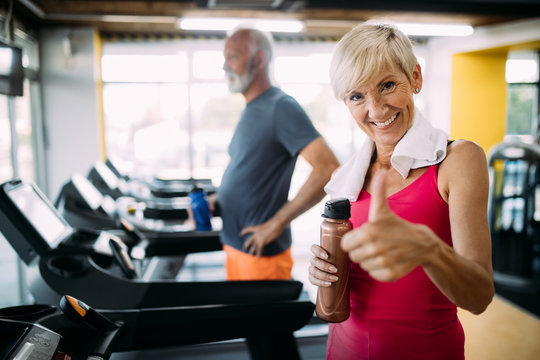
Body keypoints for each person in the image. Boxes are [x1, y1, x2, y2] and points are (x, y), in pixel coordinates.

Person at [308, 23, 494, 360]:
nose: (376, 110)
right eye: (357, 96)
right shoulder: (344, 179)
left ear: (416, 78)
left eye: (388, 85)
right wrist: (323, 270)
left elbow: (480, 296)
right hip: (340, 351)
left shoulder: (458, 160)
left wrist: (429, 250)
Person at [215, 27, 340, 281]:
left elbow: (327, 168)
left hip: (260, 256)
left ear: (259, 60)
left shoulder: (280, 107)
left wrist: (275, 224)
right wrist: (218, 200)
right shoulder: (251, 108)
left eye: (232, 56)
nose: (225, 66)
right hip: (237, 246)